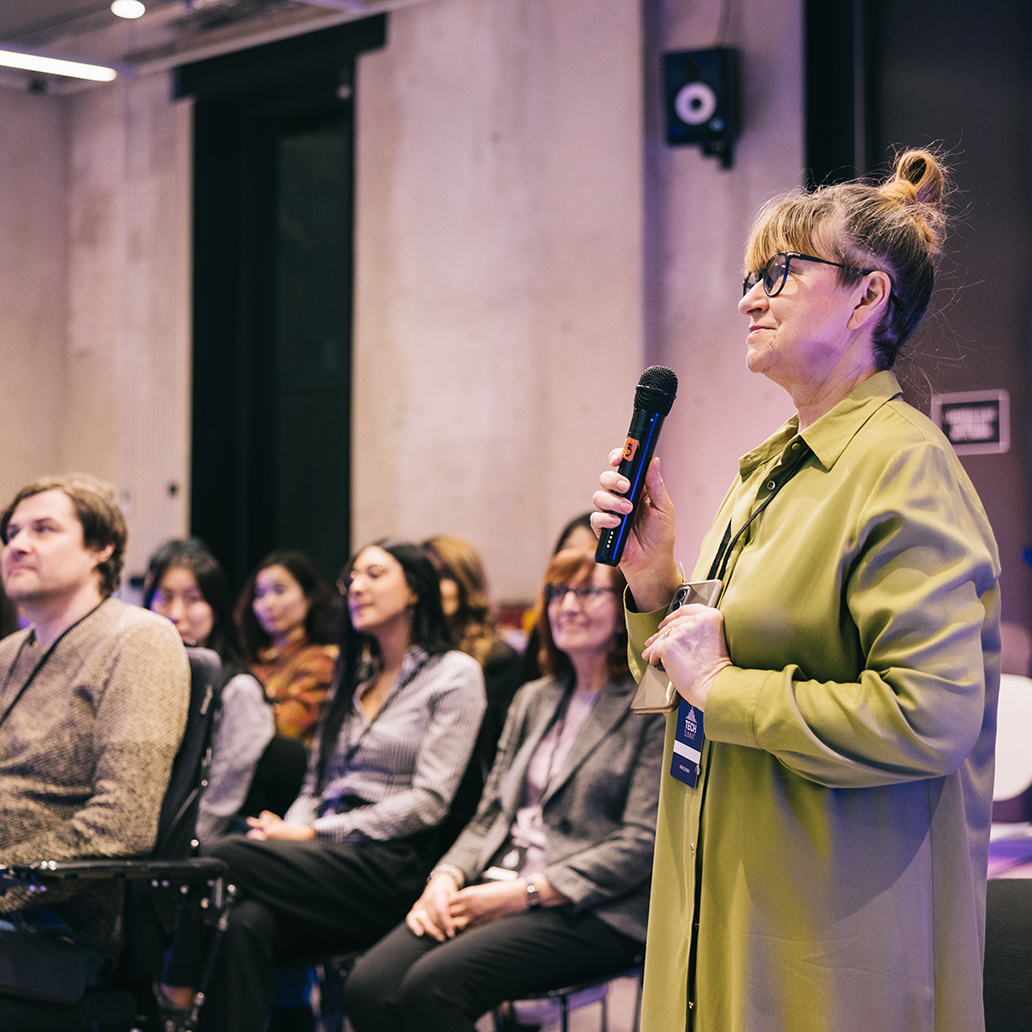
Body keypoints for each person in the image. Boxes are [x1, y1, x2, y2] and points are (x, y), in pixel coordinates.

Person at [592, 149, 1000, 1031]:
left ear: (866, 298)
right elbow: (694, 667)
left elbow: (930, 717)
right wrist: (654, 581)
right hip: (727, 899)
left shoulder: (902, 467)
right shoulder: (771, 467)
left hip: (829, 937)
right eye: (749, 276)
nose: (750, 298)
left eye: (781, 272)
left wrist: (724, 690)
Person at [160, 539, 486, 1032]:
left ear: (415, 589)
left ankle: (171, 1002)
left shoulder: (453, 675)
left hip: (391, 862)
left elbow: (429, 803)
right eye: (351, 578)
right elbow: (314, 787)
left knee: (220, 854)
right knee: (246, 921)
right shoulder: (354, 678)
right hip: (325, 862)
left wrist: (310, 837)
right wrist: (289, 831)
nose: (356, 586)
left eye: (374, 574)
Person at [343, 548, 665, 1032]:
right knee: (368, 987)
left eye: (587, 592)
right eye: (557, 593)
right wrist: (446, 878)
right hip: (497, 882)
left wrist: (523, 894)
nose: (567, 606)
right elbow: (491, 813)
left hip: (590, 906)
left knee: (432, 988)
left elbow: (640, 842)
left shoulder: (650, 705)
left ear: (622, 613)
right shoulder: (535, 697)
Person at [0, 474, 189, 984]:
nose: (17, 545)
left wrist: (6, 875)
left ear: (101, 548)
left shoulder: (139, 640)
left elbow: (122, 823)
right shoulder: (7, 655)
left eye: (43, 529)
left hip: (54, 921)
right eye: (12, 533)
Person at [145, 538, 276, 843]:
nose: (175, 613)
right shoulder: (148, 679)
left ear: (216, 610)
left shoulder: (239, 689)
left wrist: (176, 855)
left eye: (192, 599)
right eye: (164, 597)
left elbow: (221, 798)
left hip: (202, 844)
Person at [422, 535, 520, 771]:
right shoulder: (414, 654)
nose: (433, 587)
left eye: (444, 576)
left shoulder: (496, 657)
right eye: (426, 577)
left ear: (465, 583)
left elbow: (499, 752)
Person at [235, 549, 337, 748]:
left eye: (279, 590)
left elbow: (288, 726)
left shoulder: (320, 660)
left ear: (308, 597)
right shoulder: (251, 660)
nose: (268, 603)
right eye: (260, 594)